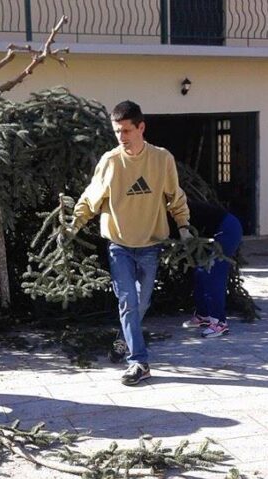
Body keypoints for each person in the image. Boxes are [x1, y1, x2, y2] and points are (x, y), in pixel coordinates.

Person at [72, 100, 192, 386]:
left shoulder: (162, 159)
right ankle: (138, 362)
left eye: (127, 130)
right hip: (119, 245)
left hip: (151, 244)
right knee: (127, 300)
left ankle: (123, 340)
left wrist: (184, 226)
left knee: (142, 301)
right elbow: (91, 197)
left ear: (141, 128)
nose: (122, 137)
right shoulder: (110, 161)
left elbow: (175, 196)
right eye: (117, 132)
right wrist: (74, 223)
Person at [177, 200, 243, 338]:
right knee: (200, 274)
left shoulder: (177, 210)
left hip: (226, 230)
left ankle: (219, 323)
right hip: (213, 233)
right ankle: (204, 315)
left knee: (214, 276)